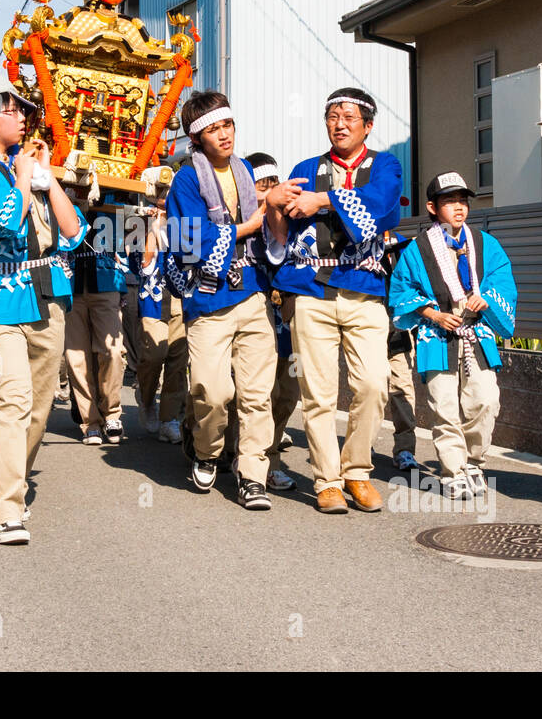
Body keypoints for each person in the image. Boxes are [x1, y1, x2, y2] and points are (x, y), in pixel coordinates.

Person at [0, 76, 86, 545]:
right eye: (13, 109)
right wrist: (27, 177)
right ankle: (6, 507)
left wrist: (50, 183)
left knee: (40, 404)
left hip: (48, 291)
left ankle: (13, 478)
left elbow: (74, 234)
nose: (23, 117)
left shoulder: (27, 170)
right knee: (12, 396)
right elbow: (8, 219)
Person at [264, 87, 402, 514]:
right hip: (311, 290)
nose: (339, 124)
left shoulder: (386, 165)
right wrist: (274, 204)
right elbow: (283, 227)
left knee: (373, 385)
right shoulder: (307, 167)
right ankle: (327, 479)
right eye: (332, 117)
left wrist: (322, 200)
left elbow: (379, 209)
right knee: (318, 391)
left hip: (365, 289)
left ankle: (357, 470)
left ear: (368, 125)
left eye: (349, 117)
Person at [165, 91, 277, 510]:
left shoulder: (245, 170)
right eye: (212, 129)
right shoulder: (186, 179)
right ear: (196, 138)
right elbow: (189, 241)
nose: (224, 135)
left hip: (251, 292)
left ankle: (252, 474)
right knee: (211, 392)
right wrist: (246, 227)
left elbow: (265, 231)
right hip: (207, 297)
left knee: (256, 393)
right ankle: (207, 450)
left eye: (227, 125)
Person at [388, 173, 517, 498]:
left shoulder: (486, 243)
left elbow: (503, 280)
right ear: (432, 207)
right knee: (444, 406)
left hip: (478, 333)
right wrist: (431, 313)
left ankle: (474, 462)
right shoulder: (416, 250)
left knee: (485, 401)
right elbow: (401, 290)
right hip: (436, 336)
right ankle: (453, 470)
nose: (459, 208)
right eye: (450, 201)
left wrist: (486, 296)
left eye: (463, 201)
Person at [247, 152, 300, 492]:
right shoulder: (240, 224)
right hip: (253, 316)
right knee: (259, 393)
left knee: (288, 394)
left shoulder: (289, 219)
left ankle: (269, 456)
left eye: (272, 186)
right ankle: (246, 455)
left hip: (289, 318)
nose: (267, 193)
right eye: (260, 187)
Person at [130, 175, 187, 444]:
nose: (164, 198)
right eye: (160, 191)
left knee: (178, 359)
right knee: (155, 354)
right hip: (153, 296)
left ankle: (169, 419)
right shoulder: (138, 221)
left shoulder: (187, 217)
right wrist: (153, 229)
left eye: (169, 191)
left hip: (182, 296)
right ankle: (146, 392)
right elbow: (143, 263)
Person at [65, 208, 128, 445]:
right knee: (76, 357)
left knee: (111, 352)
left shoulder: (114, 196)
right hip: (71, 283)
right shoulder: (62, 193)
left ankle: (111, 413)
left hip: (106, 280)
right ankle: (90, 421)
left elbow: (130, 222)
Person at [380, 228, 421, 472]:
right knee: (368, 387)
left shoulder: (404, 243)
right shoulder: (356, 237)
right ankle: (365, 444)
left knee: (402, 387)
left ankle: (405, 448)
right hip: (367, 325)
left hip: (399, 327)